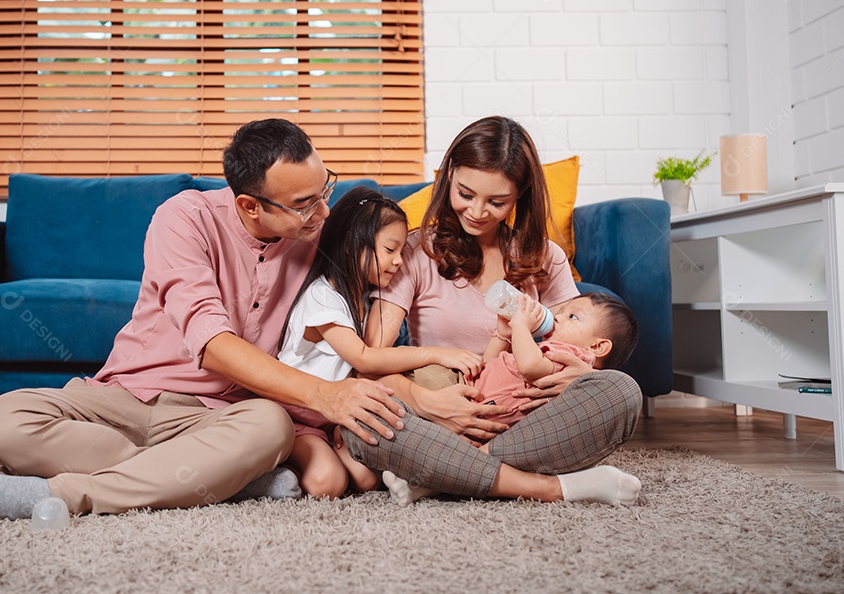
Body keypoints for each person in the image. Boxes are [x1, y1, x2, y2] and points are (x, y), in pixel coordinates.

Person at [0, 119, 407, 522]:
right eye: (304, 203)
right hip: (120, 399)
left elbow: (407, 238)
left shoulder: (321, 237)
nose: (323, 212)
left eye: (325, 189)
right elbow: (211, 341)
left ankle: (65, 495)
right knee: (3, 420)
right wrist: (326, 396)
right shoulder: (184, 216)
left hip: (216, 418)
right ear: (250, 205)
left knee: (270, 427)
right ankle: (208, 476)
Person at [338, 115, 644, 507]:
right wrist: (425, 400)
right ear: (448, 175)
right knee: (361, 423)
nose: (477, 212)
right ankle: (553, 487)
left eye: (497, 202)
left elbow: (574, 339)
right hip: (439, 411)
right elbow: (369, 364)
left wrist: (583, 377)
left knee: (622, 392)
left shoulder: (545, 258)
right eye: (465, 193)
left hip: (521, 417)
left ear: (520, 197)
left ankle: (445, 473)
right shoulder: (413, 251)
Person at [275, 186, 482, 499]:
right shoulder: (321, 297)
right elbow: (365, 359)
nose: (399, 261)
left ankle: (321, 452)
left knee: (367, 479)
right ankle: (273, 472)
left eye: (401, 252)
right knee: (326, 484)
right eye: (390, 250)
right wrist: (437, 353)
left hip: (333, 416)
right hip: (298, 414)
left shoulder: (362, 299)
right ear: (350, 244)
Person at [382, 291, 639, 505]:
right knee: (389, 393)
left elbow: (529, 367)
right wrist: (502, 334)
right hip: (464, 388)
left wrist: (521, 326)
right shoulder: (544, 348)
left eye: (572, 316)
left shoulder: (565, 354)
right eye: (560, 312)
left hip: (471, 401)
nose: (557, 318)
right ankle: (433, 479)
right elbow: (492, 366)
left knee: (392, 398)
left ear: (598, 347)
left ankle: (431, 477)